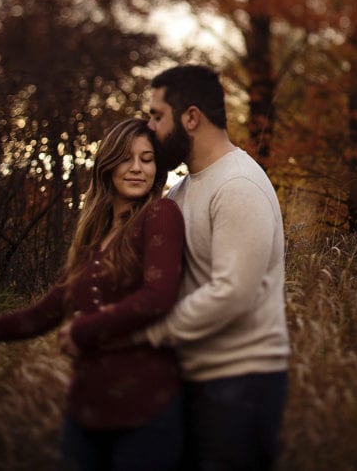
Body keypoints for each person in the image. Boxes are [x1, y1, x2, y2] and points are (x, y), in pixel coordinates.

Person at [0, 118, 186, 471]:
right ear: (108, 164)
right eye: (127, 158)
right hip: (85, 412)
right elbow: (41, 315)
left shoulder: (160, 214)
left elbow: (158, 297)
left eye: (147, 159)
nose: (137, 168)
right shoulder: (92, 239)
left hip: (146, 411)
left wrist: (83, 330)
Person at [140, 64, 290, 471]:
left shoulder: (238, 185)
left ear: (191, 117)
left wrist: (149, 334)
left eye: (157, 116)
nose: (150, 127)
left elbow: (232, 293)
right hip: (196, 379)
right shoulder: (184, 189)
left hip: (241, 383)